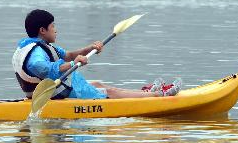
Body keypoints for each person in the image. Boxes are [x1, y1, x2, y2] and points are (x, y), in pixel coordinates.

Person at [12, 9, 181, 101]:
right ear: (42, 30)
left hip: (54, 90)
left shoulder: (41, 46)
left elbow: (70, 54)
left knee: (98, 83)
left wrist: (90, 48)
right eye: (53, 26)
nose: (56, 29)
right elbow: (45, 70)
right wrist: (72, 65)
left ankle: (147, 94)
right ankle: (158, 96)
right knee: (108, 91)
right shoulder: (36, 54)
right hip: (51, 95)